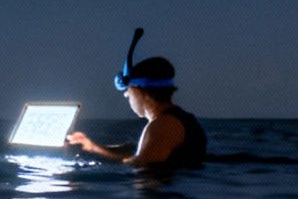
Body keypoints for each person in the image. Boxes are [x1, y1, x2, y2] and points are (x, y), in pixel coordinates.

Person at [66, 29, 207, 168]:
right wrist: (92, 147)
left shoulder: (164, 125)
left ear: (139, 91)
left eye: (128, 93)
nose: (127, 97)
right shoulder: (171, 121)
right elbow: (137, 154)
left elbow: (144, 166)